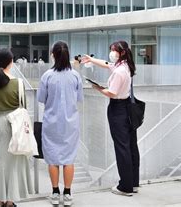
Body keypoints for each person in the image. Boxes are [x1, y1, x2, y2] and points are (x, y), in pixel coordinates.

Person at [81, 40, 139, 196]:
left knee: (122, 147)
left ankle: (125, 186)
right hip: (126, 108)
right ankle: (133, 183)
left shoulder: (120, 71)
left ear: (122, 52)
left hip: (118, 109)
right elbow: (107, 64)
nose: (111, 53)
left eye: (114, 50)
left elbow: (112, 93)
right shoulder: (125, 65)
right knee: (131, 146)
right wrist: (91, 60)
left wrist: (98, 88)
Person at [0, 48, 33, 207]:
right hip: (14, 125)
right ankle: (10, 201)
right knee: (13, 162)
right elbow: (23, 105)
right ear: (11, 62)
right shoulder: (18, 83)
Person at [36, 41, 83, 206]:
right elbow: (79, 98)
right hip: (71, 123)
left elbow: (41, 99)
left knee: (53, 159)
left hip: (51, 122)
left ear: (53, 55)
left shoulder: (47, 76)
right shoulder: (76, 75)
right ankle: (68, 193)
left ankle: (55, 192)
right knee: (69, 159)